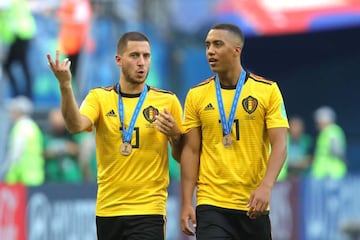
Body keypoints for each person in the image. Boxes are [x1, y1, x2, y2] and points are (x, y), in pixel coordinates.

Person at [46, 31, 183, 240]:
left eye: (146, 56)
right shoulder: (99, 98)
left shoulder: (168, 102)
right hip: (108, 211)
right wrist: (65, 86)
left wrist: (176, 136)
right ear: (119, 60)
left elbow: (183, 155)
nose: (141, 63)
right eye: (134, 56)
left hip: (148, 210)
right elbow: (75, 126)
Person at [180, 23, 289, 240]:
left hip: (253, 204)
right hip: (211, 203)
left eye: (217, 44)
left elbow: (280, 145)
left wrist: (266, 187)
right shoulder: (196, 95)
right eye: (207, 45)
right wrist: (186, 202)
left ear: (236, 50)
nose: (210, 51)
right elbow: (191, 151)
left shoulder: (267, 91)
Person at [0, 96, 44, 185]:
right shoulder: (34, 127)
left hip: (20, 179)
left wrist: (4, 172)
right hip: (36, 177)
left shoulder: (20, 128)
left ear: (18, 112)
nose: (11, 114)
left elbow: (15, 155)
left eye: (13, 111)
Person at [0, 0, 37, 99]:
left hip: (19, 34)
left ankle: (22, 95)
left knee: (16, 64)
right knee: (19, 64)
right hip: (23, 33)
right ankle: (23, 94)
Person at [43, 108, 84, 183]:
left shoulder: (72, 134)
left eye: (60, 122)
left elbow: (80, 149)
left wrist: (68, 148)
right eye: (55, 122)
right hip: (52, 177)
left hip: (71, 178)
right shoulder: (46, 136)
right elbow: (42, 153)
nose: (58, 125)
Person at [311, 106, 347, 179]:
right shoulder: (325, 132)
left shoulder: (332, 131)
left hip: (330, 174)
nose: (317, 125)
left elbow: (337, 151)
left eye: (318, 122)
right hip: (325, 174)